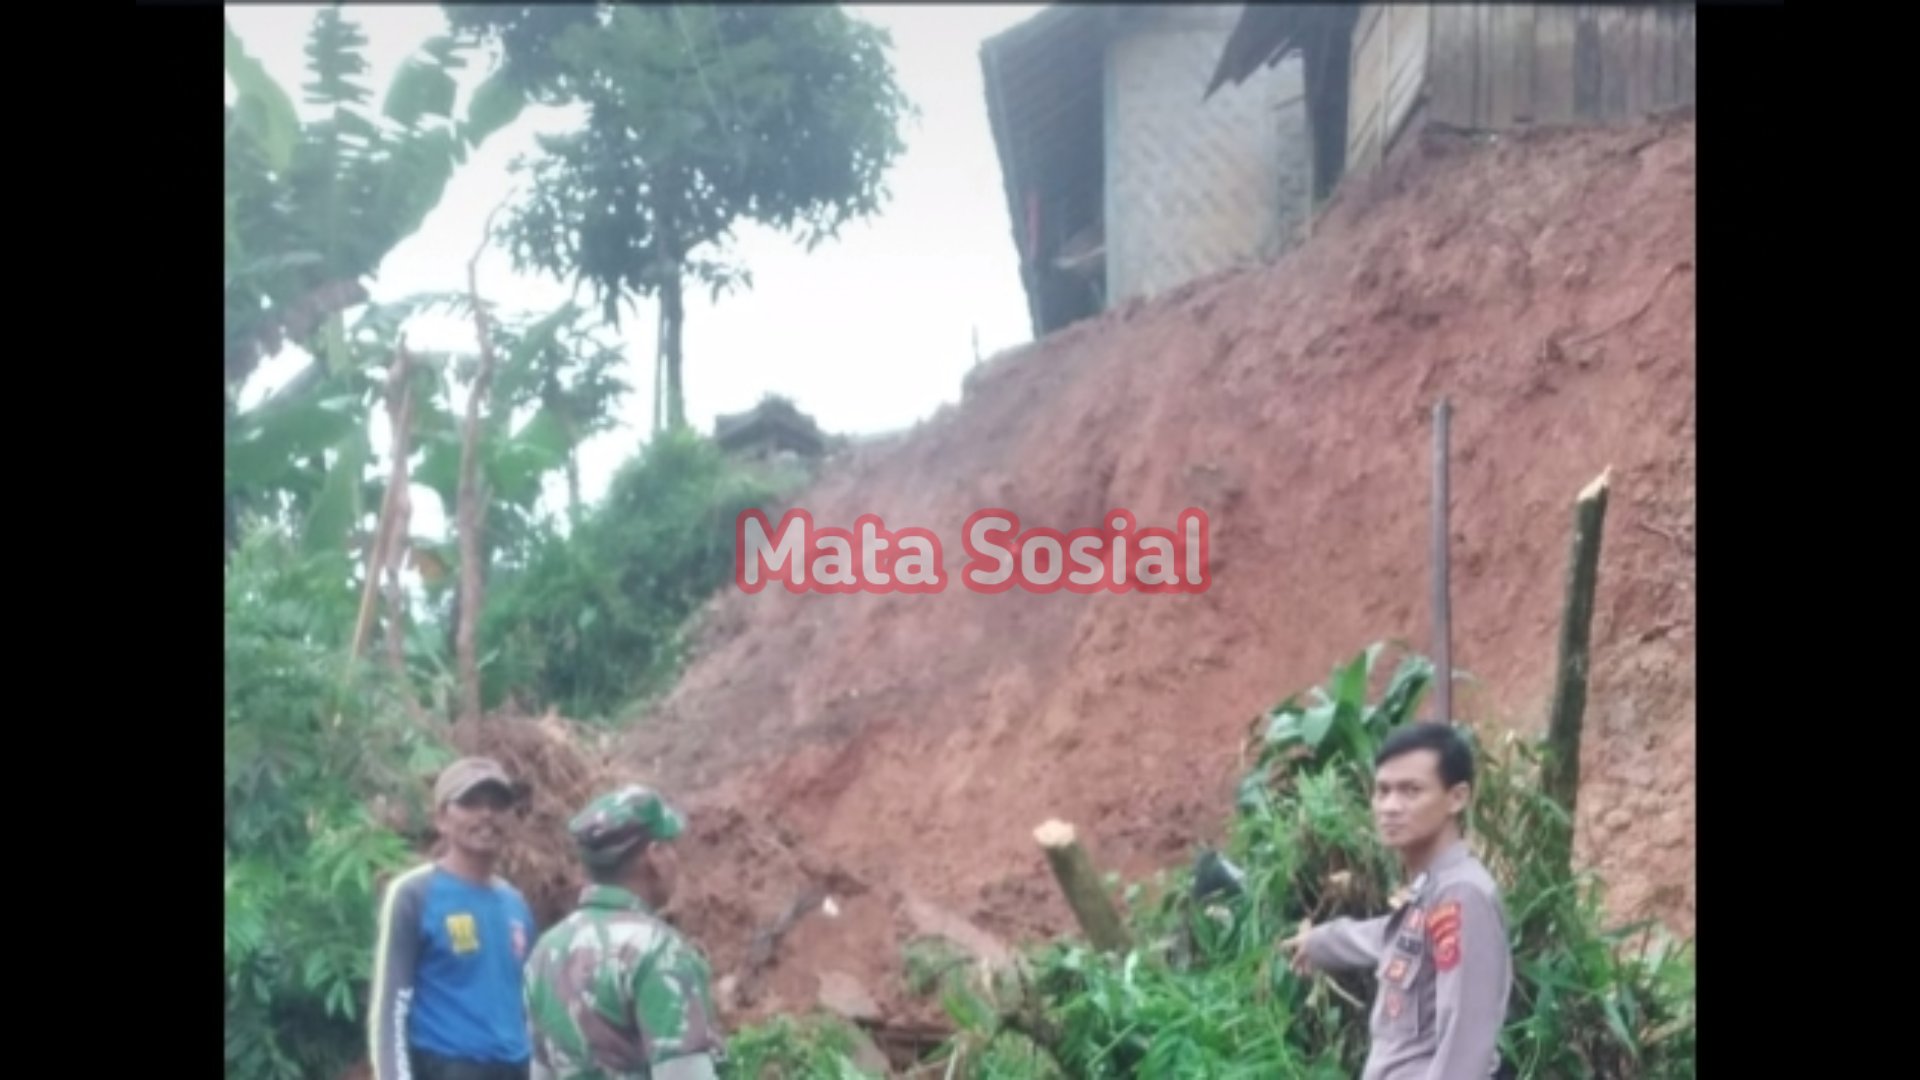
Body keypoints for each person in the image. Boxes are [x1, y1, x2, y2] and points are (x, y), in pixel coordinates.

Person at [1278, 723, 1513, 1079]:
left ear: (1457, 798)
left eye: (1411, 791)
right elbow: (1394, 939)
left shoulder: (1463, 895)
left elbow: (1466, 1038)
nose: (1390, 807)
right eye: (1382, 791)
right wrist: (1320, 943)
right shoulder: (1432, 888)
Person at [523, 783, 725, 1080]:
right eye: (670, 846)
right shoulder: (658, 952)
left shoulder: (545, 951)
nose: (676, 860)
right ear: (654, 855)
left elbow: (541, 1071)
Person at [370, 756, 537, 1080]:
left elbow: (528, 1006)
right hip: (449, 1067)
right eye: (470, 803)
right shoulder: (413, 895)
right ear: (442, 818)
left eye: (497, 805)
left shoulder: (515, 904)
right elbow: (391, 1010)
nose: (486, 815)